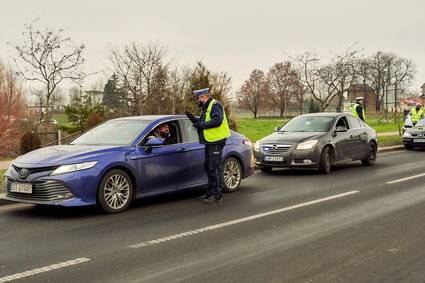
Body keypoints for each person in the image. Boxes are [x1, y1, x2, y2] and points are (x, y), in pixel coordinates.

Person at [185, 88, 231, 204]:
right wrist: (192, 118)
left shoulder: (215, 105)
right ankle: (210, 192)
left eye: (198, 99)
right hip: (209, 141)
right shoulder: (207, 107)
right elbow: (202, 121)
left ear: (203, 97)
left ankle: (217, 195)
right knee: (208, 167)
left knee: (214, 168)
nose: (198, 101)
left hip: (216, 141)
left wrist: (201, 124)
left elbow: (217, 121)